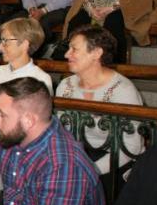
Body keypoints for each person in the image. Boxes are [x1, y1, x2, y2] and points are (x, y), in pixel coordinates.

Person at [55, 25, 144, 179]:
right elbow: (60, 133)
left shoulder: (122, 90)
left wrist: (92, 170)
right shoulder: (65, 85)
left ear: (96, 53)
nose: (66, 54)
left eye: (74, 49)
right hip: (76, 158)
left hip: (114, 163)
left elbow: (132, 146)